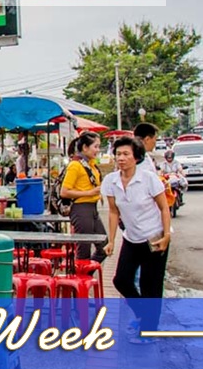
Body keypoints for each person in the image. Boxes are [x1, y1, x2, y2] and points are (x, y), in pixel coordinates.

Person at [102, 137, 172, 343]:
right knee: (121, 280)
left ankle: (148, 330)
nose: (121, 158)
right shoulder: (111, 181)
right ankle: (144, 315)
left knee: (150, 285)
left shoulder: (148, 178)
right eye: (118, 154)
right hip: (131, 238)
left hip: (154, 237)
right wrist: (112, 240)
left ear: (136, 157)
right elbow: (114, 212)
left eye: (126, 154)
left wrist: (167, 235)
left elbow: (164, 207)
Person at [60, 132, 106, 263]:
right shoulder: (75, 165)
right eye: (95, 147)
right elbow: (64, 192)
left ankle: (84, 275)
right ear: (85, 147)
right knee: (83, 250)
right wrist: (90, 193)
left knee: (104, 246)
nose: (97, 150)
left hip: (92, 209)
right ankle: (80, 279)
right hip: (81, 209)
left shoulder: (90, 164)